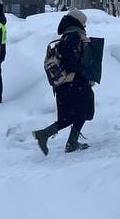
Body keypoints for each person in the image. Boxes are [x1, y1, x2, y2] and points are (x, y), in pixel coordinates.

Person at [33, 8, 94, 153]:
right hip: (73, 82)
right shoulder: (73, 35)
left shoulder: (68, 34)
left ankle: (66, 140)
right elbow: (69, 55)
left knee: (75, 113)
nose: (84, 26)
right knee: (79, 112)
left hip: (65, 84)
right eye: (83, 23)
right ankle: (47, 135)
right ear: (78, 22)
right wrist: (74, 71)